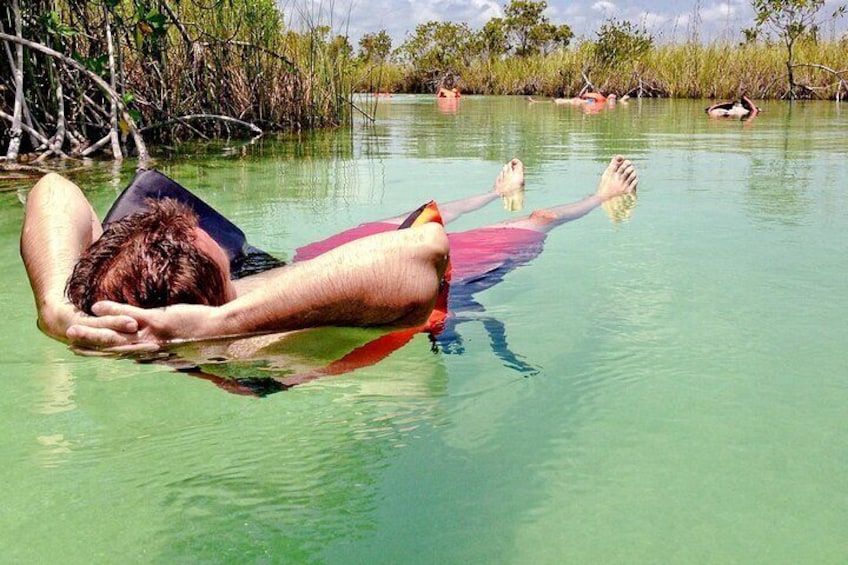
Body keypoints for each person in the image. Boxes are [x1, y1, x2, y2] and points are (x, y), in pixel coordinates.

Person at [21, 156, 638, 355]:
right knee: (534, 222)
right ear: (210, 282)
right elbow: (425, 254)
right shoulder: (242, 336)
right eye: (197, 231)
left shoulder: (115, 302)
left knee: (418, 207)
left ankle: (492, 191)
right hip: (377, 279)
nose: (202, 222)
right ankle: (596, 195)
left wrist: (55, 305)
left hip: (318, 260)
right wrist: (220, 322)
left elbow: (53, 190)